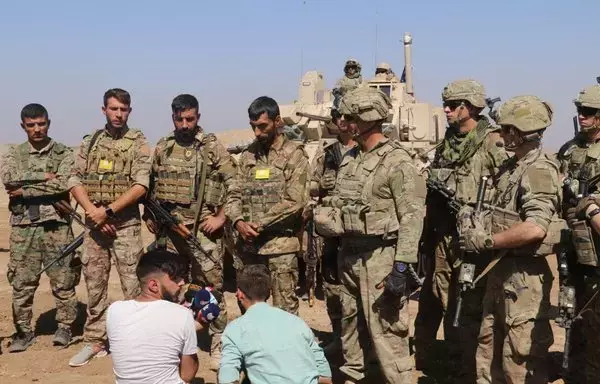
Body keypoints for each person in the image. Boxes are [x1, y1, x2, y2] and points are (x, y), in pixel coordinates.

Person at [316, 86, 426, 383]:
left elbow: (412, 219)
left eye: (350, 117)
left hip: (381, 257)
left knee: (388, 335)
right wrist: (330, 248)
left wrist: (401, 266)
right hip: (349, 255)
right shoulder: (350, 157)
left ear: (367, 118)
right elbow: (339, 204)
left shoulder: (397, 162)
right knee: (351, 330)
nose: (345, 122)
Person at [460, 95, 560, 383]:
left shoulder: (539, 169)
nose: (501, 135)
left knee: (519, 359)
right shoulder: (511, 167)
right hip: (500, 273)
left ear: (522, 131)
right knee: (489, 349)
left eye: (506, 129)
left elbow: (535, 228)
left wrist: (488, 241)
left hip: (523, 279)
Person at [413, 79, 507, 379]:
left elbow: (506, 189)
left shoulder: (492, 142)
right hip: (443, 233)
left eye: (453, 106)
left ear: (469, 107)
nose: (447, 110)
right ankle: (434, 357)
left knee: (469, 300)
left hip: (474, 237)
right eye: (447, 105)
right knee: (437, 294)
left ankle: (466, 363)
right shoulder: (448, 142)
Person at [145, 93, 236, 370]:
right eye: (180, 119)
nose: (185, 124)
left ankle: (219, 338)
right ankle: (178, 340)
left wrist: (221, 217)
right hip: (171, 232)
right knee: (174, 288)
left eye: (190, 119)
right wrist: (151, 216)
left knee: (211, 287)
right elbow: (148, 187)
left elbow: (235, 183)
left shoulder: (211, 148)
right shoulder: (163, 147)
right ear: (173, 117)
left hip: (203, 233)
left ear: (198, 117)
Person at [67, 88, 152, 367]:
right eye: (113, 109)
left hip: (124, 225)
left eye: (123, 109)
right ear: (103, 109)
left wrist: (109, 211)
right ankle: (96, 340)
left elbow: (141, 185)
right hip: (94, 226)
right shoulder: (90, 142)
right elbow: (73, 178)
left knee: (132, 285)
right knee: (95, 285)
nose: (118, 114)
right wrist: (93, 212)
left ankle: (135, 341)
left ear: (130, 111)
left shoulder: (138, 141)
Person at [0, 103, 80, 352]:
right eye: (31, 125)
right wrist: (46, 178)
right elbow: (9, 179)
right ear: (22, 126)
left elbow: (63, 184)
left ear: (49, 123)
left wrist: (25, 189)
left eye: (41, 124)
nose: (37, 129)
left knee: (64, 281)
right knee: (22, 282)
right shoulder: (13, 154)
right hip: (24, 227)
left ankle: (65, 328)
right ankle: (24, 332)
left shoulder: (63, 153)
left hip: (57, 226)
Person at [225, 96, 309, 316]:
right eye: (253, 127)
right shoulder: (248, 155)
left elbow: (295, 201)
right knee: (248, 310)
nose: (257, 133)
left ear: (278, 121)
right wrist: (238, 221)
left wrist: (258, 224)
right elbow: (233, 193)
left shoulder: (295, 155)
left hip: (280, 248)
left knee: (285, 312)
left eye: (262, 126)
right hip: (248, 247)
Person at [219, 264, 332, 384]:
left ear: (239, 294)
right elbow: (324, 373)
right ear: (269, 293)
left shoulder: (235, 330)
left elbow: (227, 377)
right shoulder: (296, 322)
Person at [303, 108, 356, 357]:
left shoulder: (367, 152)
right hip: (332, 235)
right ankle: (339, 336)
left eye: (347, 116)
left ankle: (360, 343)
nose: (342, 120)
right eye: (338, 117)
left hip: (360, 233)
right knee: (333, 286)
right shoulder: (328, 156)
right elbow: (312, 186)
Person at [557, 83, 600, 383]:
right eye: (579, 111)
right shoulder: (569, 149)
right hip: (572, 243)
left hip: (597, 246)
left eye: (589, 112)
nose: (582, 117)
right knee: (571, 308)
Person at [107, 249, 199, 384]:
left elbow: (149, 333)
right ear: (154, 285)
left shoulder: (115, 310)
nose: (182, 282)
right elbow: (187, 375)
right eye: (175, 278)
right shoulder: (182, 314)